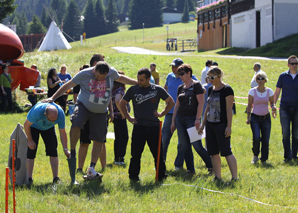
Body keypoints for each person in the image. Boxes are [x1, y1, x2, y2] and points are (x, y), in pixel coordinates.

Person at [43, 59, 137, 184]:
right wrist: (52, 98)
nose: (99, 78)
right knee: (76, 122)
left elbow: (122, 79)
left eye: (102, 77)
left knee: (99, 139)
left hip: (100, 111)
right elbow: (68, 85)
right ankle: (73, 152)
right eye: (97, 76)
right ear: (94, 70)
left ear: (107, 73)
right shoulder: (84, 74)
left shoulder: (112, 73)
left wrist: (138, 83)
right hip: (84, 106)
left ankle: (91, 168)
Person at [119, 68, 174, 181]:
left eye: (142, 80)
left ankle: (161, 176)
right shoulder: (133, 90)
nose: (139, 82)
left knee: (158, 154)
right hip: (139, 126)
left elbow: (171, 102)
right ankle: (133, 177)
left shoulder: (157, 89)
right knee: (135, 154)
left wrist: (162, 113)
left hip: (154, 126)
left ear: (149, 79)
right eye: (138, 79)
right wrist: (129, 117)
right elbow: (122, 103)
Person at [171, 64, 212, 175]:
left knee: (197, 145)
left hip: (192, 119)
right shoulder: (181, 87)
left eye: (182, 74)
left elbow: (201, 103)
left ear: (189, 73)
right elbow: (176, 106)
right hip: (180, 119)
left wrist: (197, 119)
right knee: (184, 146)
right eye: (179, 74)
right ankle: (190, 170)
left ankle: (211, 166)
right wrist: (173, 121)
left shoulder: (197, 85)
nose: (180, 76)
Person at [198, 66, 238, 182]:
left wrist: (229, 127)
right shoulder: (210, 89)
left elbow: (229, 109)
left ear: (219, 76)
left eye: (212, 77)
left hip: (222, 125)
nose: (209, 79)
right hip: (210, 125)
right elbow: (208, 108)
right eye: (208, 77)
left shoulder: (227, 89)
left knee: (226, 152)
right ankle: (218, 177)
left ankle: (235, 178)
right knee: (213, 152)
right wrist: (203, 124)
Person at [162, 58, 197, 171]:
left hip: (184, 115)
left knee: (182, 142)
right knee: (164, 138)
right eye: (172, 66)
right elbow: (166, 88)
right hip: (169, 113)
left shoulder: (190, 78)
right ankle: (161, 163)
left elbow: (200, 90)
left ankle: (178, 165)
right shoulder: (169, 76)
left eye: (175, 66)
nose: (173, 68)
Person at [24, 103, 70, 184]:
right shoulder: (37, 112)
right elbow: (26, 124)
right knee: (31, 151)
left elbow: (62, 132)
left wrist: (65, 149)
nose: (53, 121)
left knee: (53, 151)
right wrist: (30, 140)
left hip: (49, 128)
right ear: (45, 115)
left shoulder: (60, 114)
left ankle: (55, 178)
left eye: (54, 120)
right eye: (51, 119)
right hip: (34, 127)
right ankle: (29, 178)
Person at [246, 71, 276, 164]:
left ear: (265, 80)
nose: (260, 80)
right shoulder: (252, 91)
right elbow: (249, 105)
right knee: (256, 138)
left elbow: (272, 103)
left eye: (262, 78)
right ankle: (255, 155)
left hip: (266, 118)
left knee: (265, 140)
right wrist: (248, 117)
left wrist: (274, 107)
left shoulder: (269, 91)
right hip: (255, 118)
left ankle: (264, 159)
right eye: (258, 79)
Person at [274, 55, 298, 162]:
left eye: (296, 63)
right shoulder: (282, 76)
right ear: (288, 64)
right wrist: (273, 104)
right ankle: (287, 156)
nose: (294, 65)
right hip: (284, 107)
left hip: (297, 108)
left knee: (296, 133)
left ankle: (294, 155)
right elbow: (277, 91)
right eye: (292, 63)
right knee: (285, 133)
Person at [112, 70, 130, 165]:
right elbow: (117, 100)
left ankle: (116, 158)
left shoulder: (114, 89)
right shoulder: (120, 90)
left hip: (115, 116)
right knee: (124, 137)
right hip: (120, 117)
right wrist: (123, 112)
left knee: (118, 137)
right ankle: (121, 158)